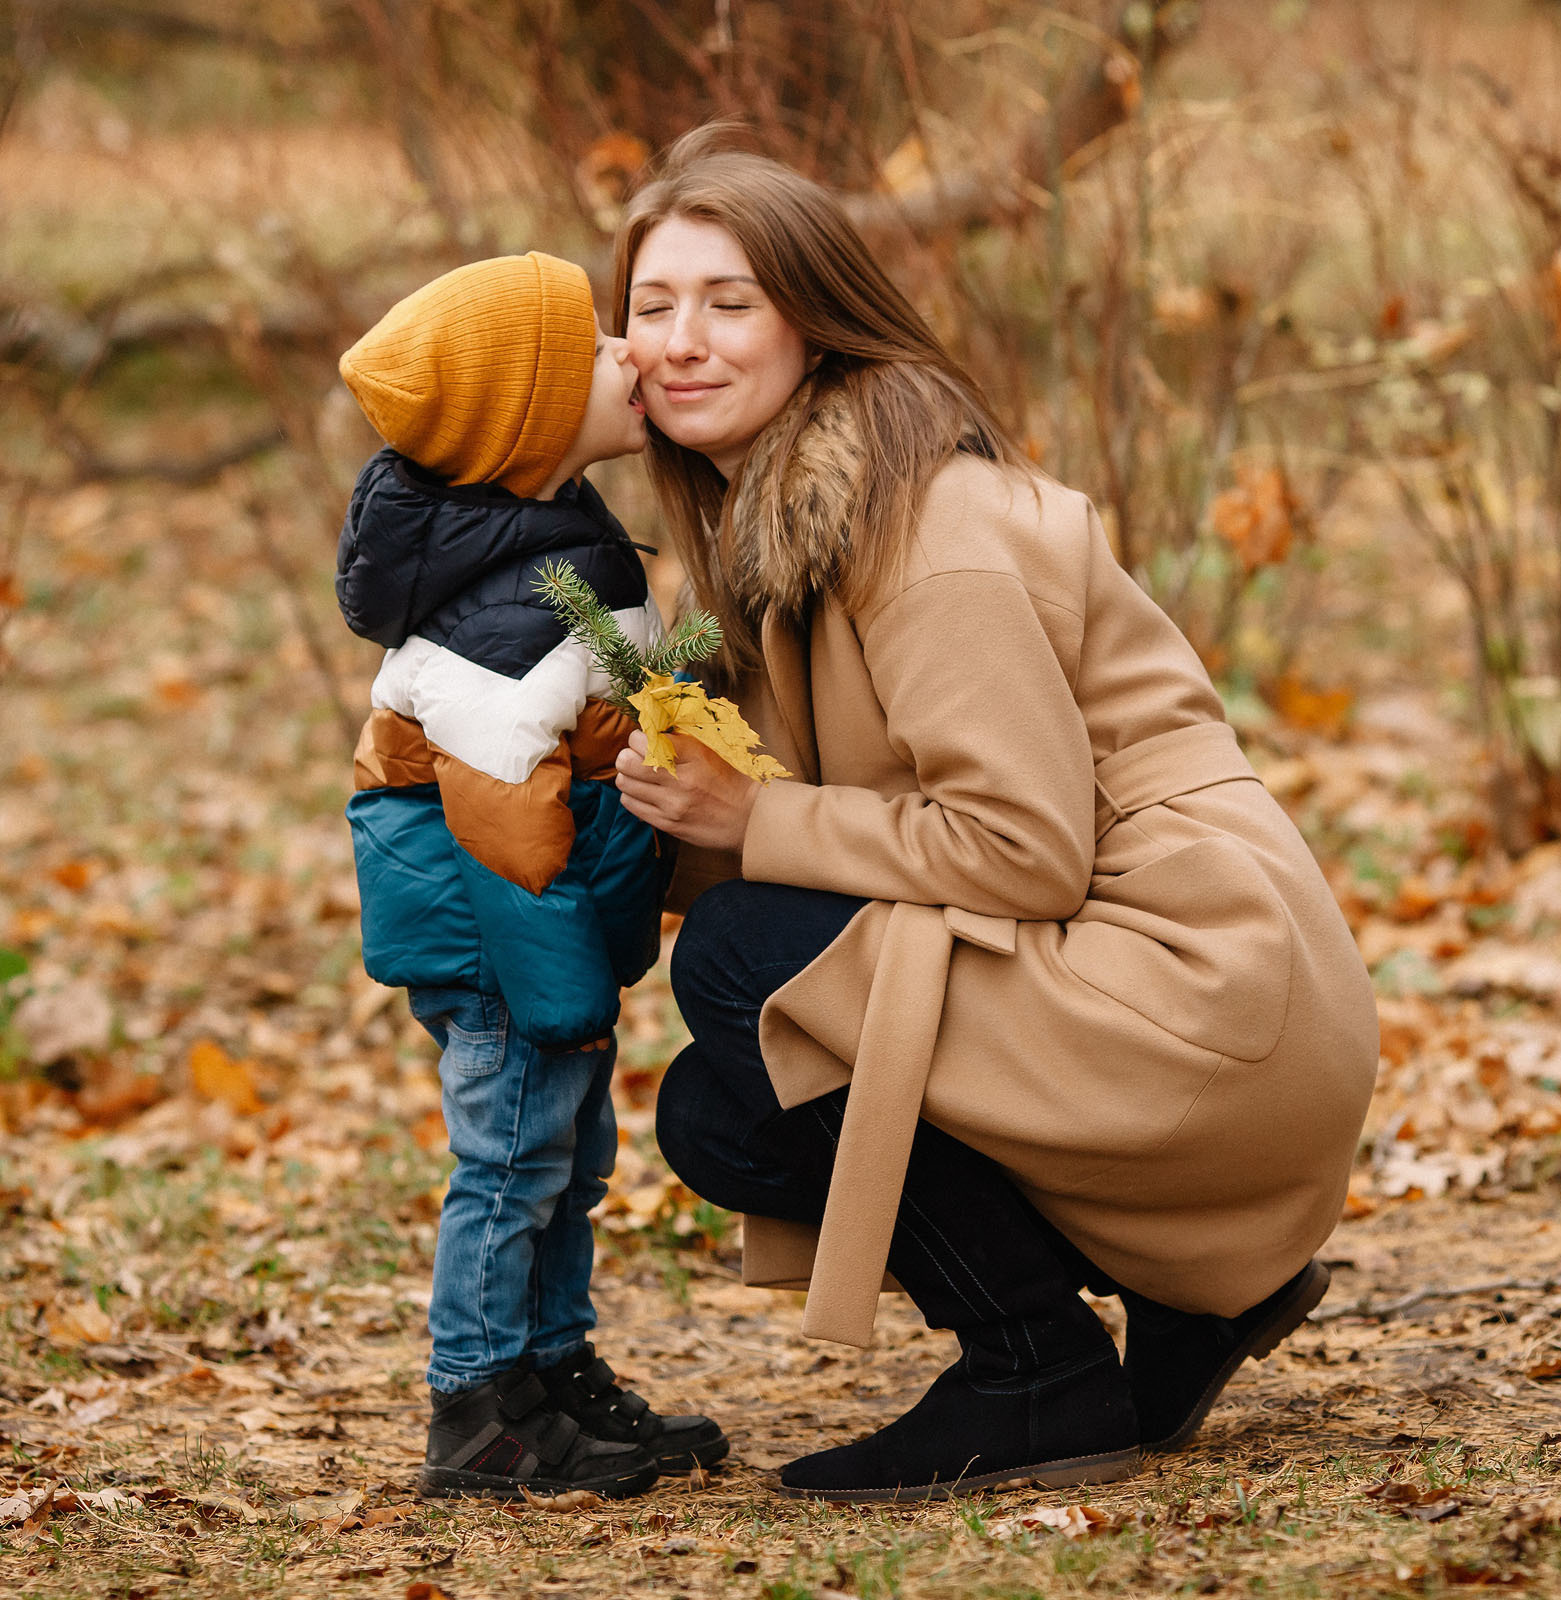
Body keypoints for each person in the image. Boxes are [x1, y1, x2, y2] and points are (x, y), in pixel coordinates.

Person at [604, 129, 1382, 1502]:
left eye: (730, 303)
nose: (682, 341)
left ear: (819, 328)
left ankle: (1035, 1374)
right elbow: (841, 839)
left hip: (1203, 989)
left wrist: (751, 824)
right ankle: (1191, 1305)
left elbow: (1019, 851)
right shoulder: (775, 538)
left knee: (745, 966)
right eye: (652, 308)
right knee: (725, 1113)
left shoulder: (926, 533)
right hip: (1133, 979)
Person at [334, 251, 724, 1500]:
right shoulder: (505, 617)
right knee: (509, 1159)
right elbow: (506, 825)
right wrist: (563, 992)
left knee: (568, 1155)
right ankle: (478, 1404)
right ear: (530, 418)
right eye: (600, 343)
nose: (634, 353)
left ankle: (554, 1371)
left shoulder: (553, 546)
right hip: (505, 944)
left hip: (547, 933)